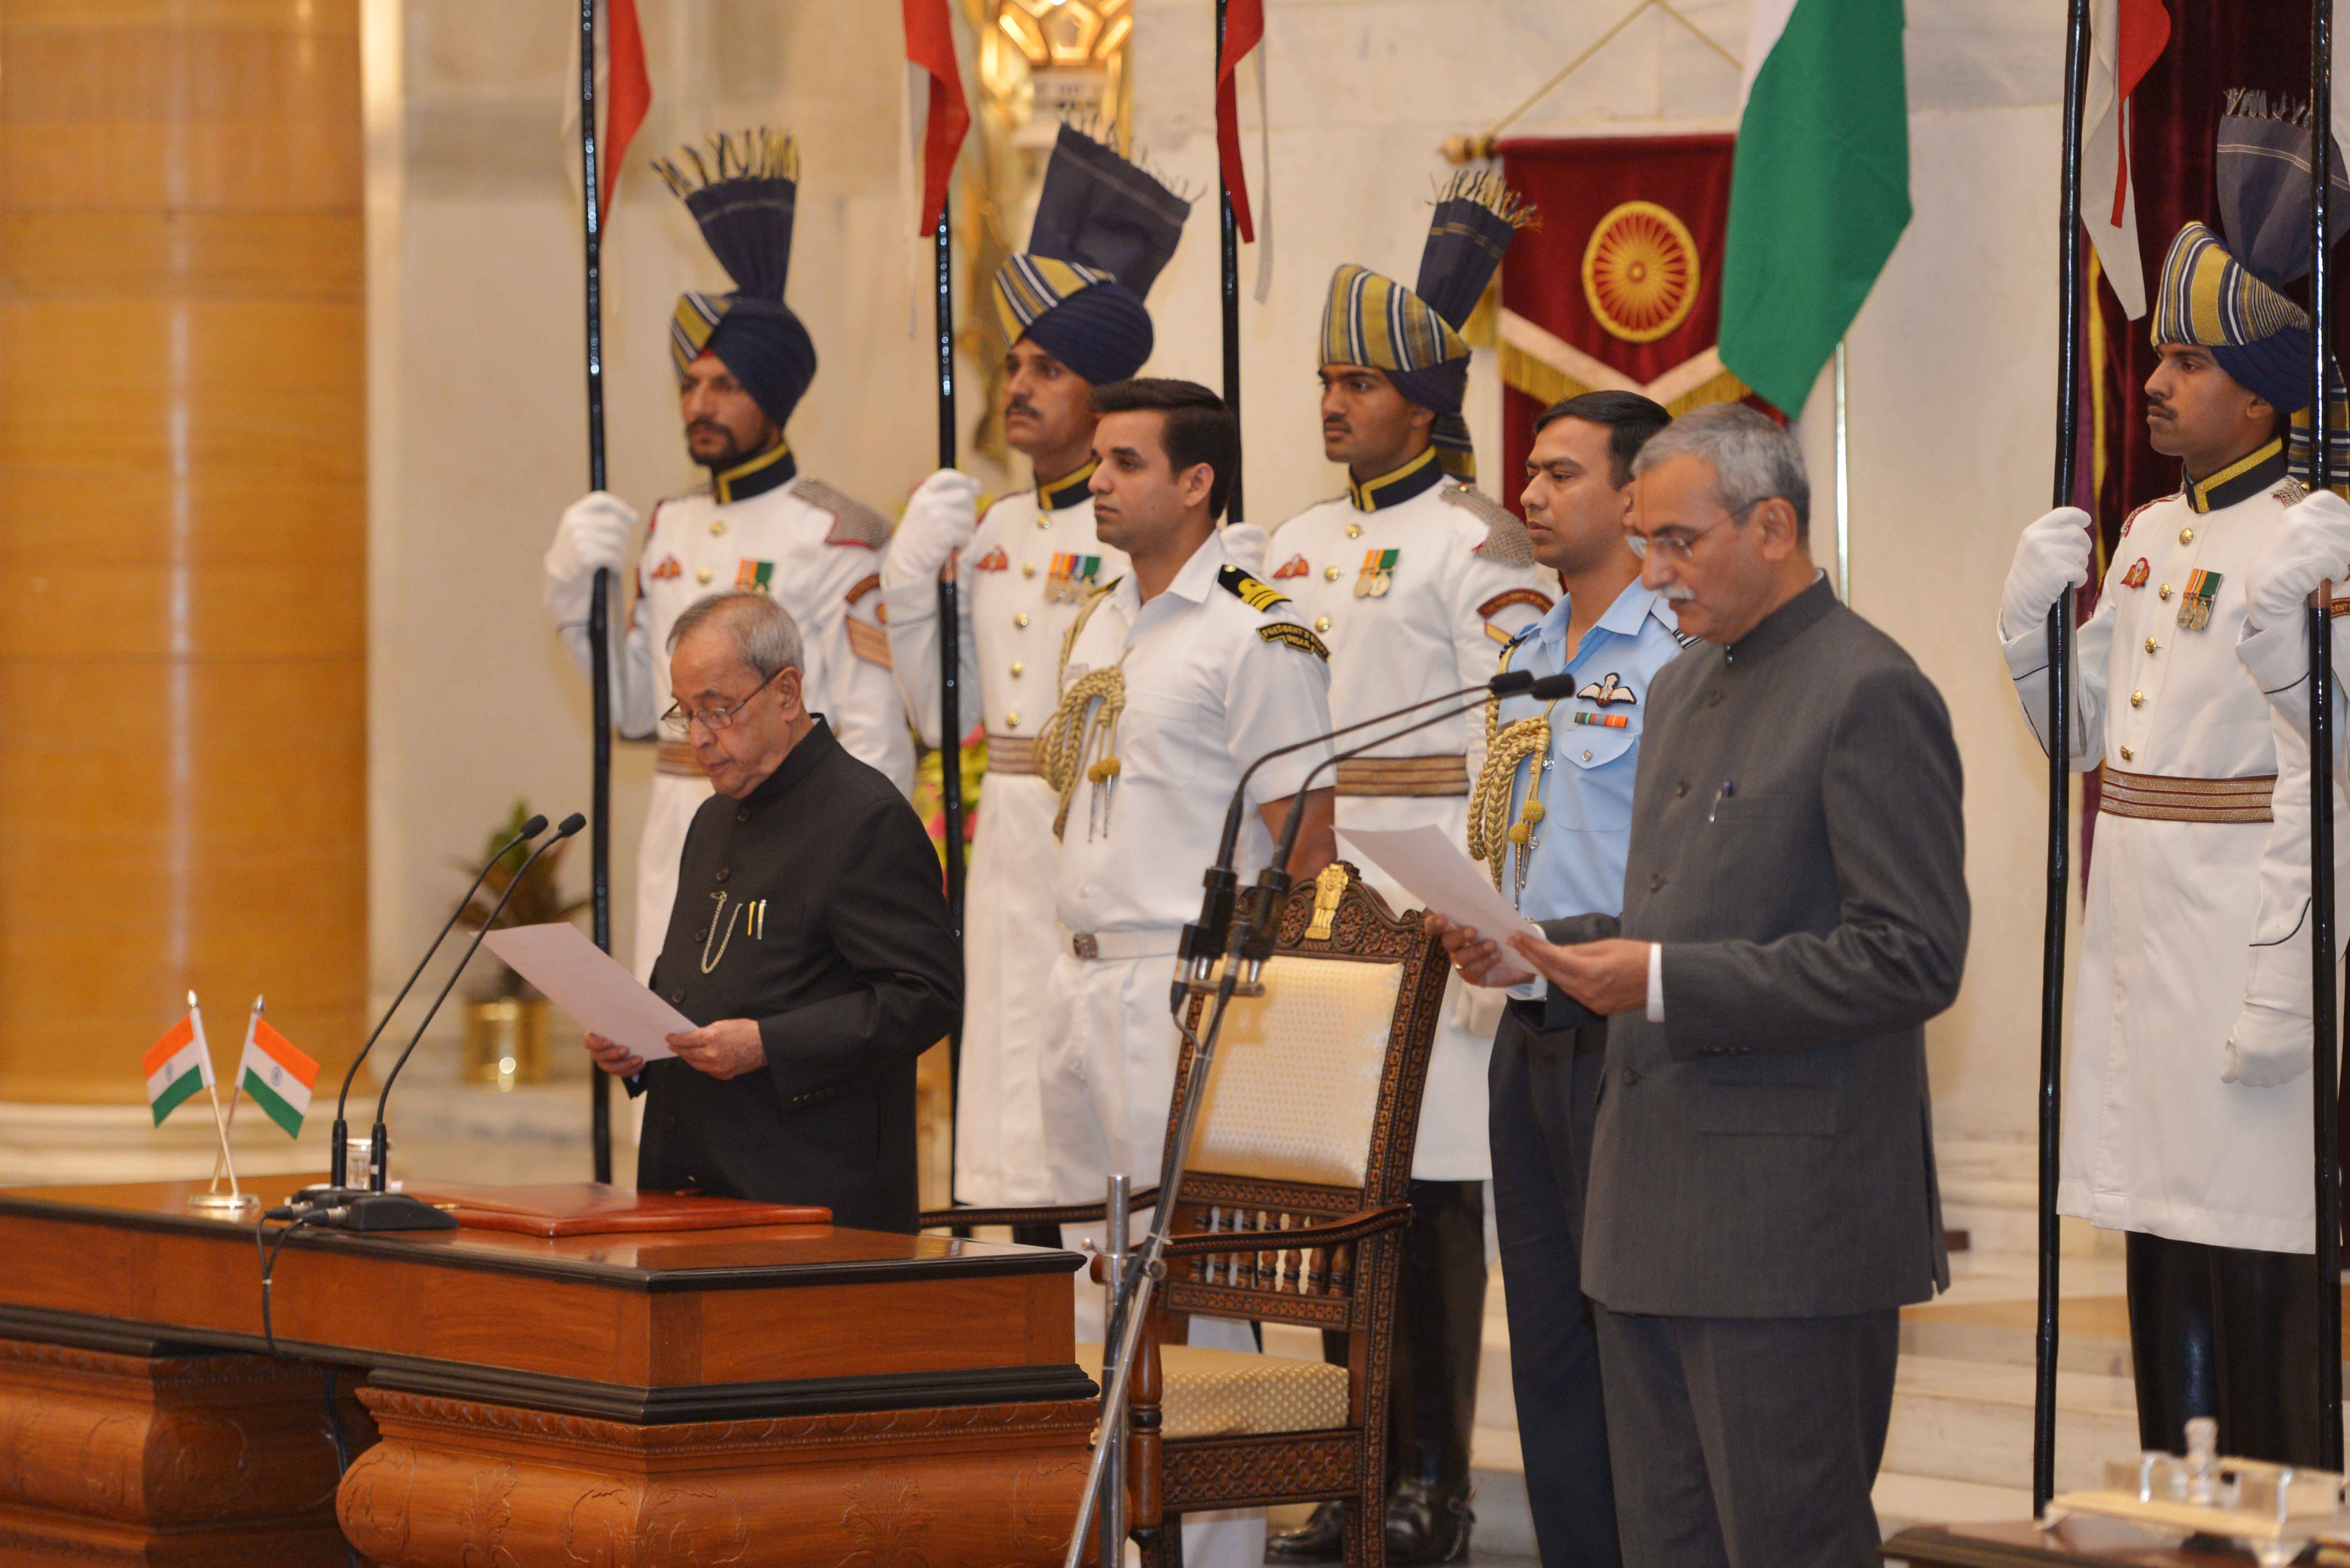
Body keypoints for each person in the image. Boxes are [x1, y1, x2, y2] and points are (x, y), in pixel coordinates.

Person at [1446, 405, 1964, 1565]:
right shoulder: (1682, 690)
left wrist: (1665, 980)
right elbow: (1668, 920)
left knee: (1789, 1540)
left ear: (1772, 525)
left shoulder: (1867, 690)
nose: (1654, 571)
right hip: (1648, 1213)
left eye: (1678, 541)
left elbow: (1913, 955)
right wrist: (1536, 947)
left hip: (1788, 1224)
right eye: (1644, 540)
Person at [2001, 156, 2336, 1461]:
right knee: (2155, 1233)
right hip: (2138, 936)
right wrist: (2033, 623)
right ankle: (2172, 1504)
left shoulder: (2309, 536)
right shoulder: (2145, 533)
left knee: (2254, 1248)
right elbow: (2080, 738)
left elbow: (2330, 779)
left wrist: (2286, 975)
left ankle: (2282, 1515)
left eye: (2187, 362)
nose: (2151, 382)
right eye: (2158, 358)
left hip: (2238, 932)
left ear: (2257, 393)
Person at [1262, 172, 1554, 1567]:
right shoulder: (1289, 548)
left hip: (1428, 894)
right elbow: (1265, 726)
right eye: (1324, 379)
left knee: (1430, 1201)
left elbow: (1518, 744)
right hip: (1315, 899)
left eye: (1358, 382)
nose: (1333, 404)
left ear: (1423, 405)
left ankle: (1431, 1480)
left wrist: (1479, 906)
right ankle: (1339, 1469)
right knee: (1322, 1203)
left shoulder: (1482, 545)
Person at [1037, 377, 1336, 1568]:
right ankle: (1109, 1541)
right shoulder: (1102, 616)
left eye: (1123, 463)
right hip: (1079, 980)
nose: (1096, 481)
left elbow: (1304, 836)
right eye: (1098, 462)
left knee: (1195, 1291)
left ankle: (1217, 1557)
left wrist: (1248, 996)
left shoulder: (1256, 626)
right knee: (1085, 1284)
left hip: (1183, 986)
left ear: (1197, 482)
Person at [882, 125, 1189, 1237]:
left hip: (1101, 831)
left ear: (1104, 395)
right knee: (1006, 1090)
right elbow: (937, 711)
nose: (1017, 386)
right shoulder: (994, 526)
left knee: (1103, 1116)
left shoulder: (1139, 534)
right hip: (1002, 838)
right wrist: (914, 583)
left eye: (1046, 370)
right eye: (1013, 364)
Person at [544, 131, 913, 981]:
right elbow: (635, 709)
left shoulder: (834, 533)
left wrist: (858, 863)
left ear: (775, 400)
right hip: (680, 819)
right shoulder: (669, 527)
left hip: (790, 822)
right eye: (689, 385)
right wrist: (573, 597)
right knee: (662, 1039)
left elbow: (871, 727)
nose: (701, 404)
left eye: (727, 386)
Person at [1427, 390, 1679, 1568]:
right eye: (1528, 471)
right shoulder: (1524, 653)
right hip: (1526, 1026)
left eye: (1561, 474)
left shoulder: (1678, 651)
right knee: (1547, 1349)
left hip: (1628, 1035)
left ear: (1637, 496)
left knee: (1634, 1344)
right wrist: (1485, 932)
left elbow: (1693, 861)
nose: (1529, 493)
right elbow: (1515, 831)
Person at [581, 592, 959, 1234]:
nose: (700, 736)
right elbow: (704, 971)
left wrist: (768, 1045)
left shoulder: (866, 818)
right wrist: (638, 1041)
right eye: (686, 713)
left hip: (807, 1197)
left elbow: (925, 997)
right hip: (688, 1185)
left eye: (719, 710)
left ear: (786, 693)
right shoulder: (711, 818)